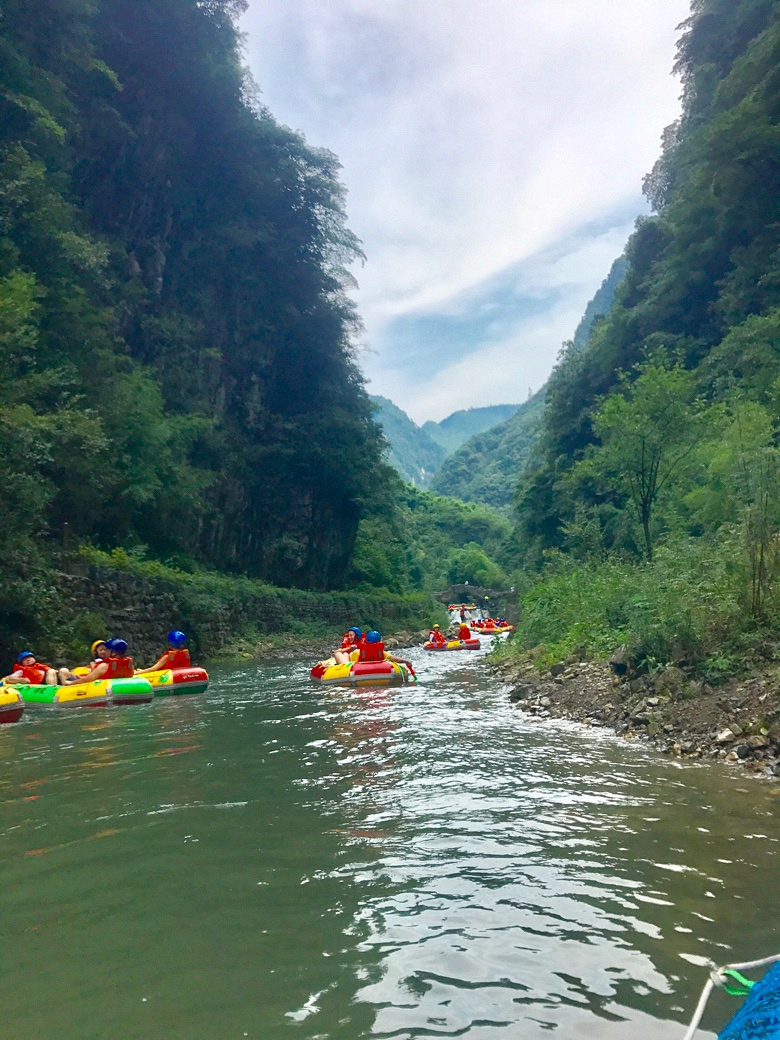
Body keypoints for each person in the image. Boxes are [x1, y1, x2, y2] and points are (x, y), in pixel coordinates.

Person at [66, 638, 134, 685]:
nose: (105, 652)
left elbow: (87, 680)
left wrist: (69, 683)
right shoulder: (129, 665)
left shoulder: (104, 666)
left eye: (107, 650)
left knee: (65, 675)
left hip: (101, 688)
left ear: (113, 653)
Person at [3, 651, 68, 686]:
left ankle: (66, 684)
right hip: (42, 685)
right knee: (51, 671)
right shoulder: (21, 670)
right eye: (25, 659)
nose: (28, 659)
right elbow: (9, 678)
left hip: (54, 681)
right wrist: (21, 680)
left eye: (29, 657)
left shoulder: (40, 666)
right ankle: (52, 688)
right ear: (21, 663)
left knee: (63, 670)